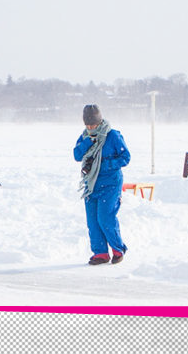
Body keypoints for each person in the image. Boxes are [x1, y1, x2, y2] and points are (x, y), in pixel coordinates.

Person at [73, 104, 131, 266]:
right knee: (92, 220)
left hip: (111, 183)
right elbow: (77, 155)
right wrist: (87, 144)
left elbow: (125, 157)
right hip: (91, 184)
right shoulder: (85, 136)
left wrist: (103, 165)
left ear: (100, 121)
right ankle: (101, 253)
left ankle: (118, 249)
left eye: (93, 125)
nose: (91, 128)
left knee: (105, 217)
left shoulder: (112, 136)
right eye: (88, 125)